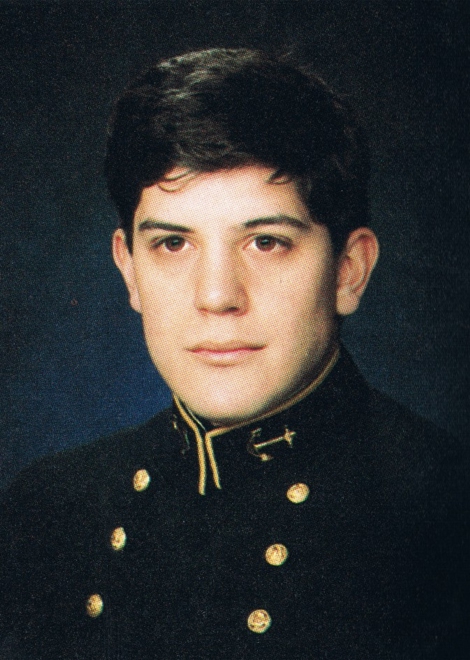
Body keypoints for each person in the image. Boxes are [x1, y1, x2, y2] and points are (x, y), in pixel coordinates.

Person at [0, 48, 468, 659]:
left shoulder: (444, 512)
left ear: (349, 271)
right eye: (173, 244)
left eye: (266, 242)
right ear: (130, 271)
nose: (217, 296)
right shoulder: (48, 510)